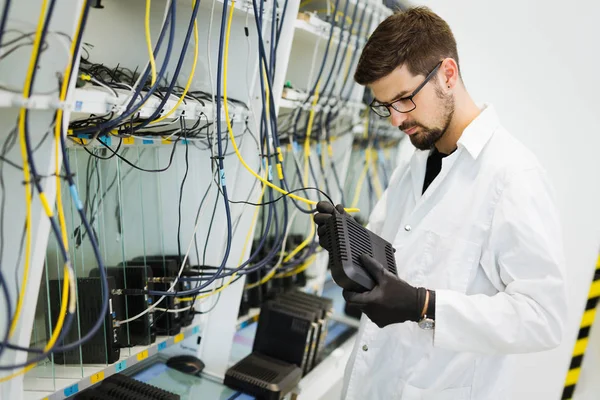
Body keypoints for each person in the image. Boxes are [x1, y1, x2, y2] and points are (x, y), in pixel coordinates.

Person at [314, 6, 567, 400]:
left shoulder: (512, 176)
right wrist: (346, 241)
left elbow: (544, 318)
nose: (396, 120)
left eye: (403, 99)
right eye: (385, 106)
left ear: (448, 75)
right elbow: (395, 262)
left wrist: (425, 305)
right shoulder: (417, 163)